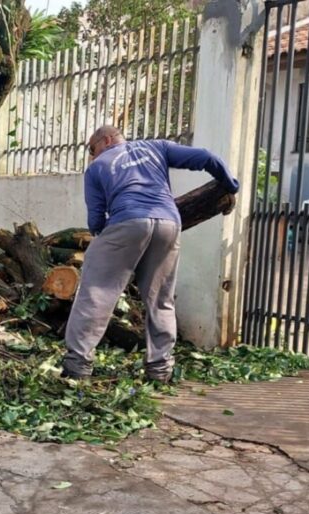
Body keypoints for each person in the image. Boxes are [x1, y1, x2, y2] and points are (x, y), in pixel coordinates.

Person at [62, 126, 240, 382]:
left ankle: (77, 365)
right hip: (168, 223)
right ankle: (160, 369)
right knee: (161, 298)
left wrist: (112, 241)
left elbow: (95, 221)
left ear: (107, 140)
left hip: (126, 221)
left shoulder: (97, 167)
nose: (92, 155)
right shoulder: (157, 147)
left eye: (92, 149)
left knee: (96, 292)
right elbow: (205, 157)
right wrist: (229, 184)